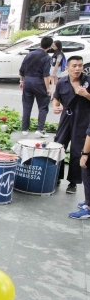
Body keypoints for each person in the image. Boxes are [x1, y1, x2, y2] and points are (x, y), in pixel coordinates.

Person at [54, 56, 90, 203]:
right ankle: (56, 177)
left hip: (82, 119)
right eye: (74, 66)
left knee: (76, 151)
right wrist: (56, 106)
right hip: (66, 118)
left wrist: (86, 94)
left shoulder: (88, 81)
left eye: (80, 66)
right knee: (58, 146)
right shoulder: (62, 82)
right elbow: (56, 98)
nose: (77, 69)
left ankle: (73, 182)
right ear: (67, 68)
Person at [19, 36, 53, 137]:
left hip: (27, 81)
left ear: (40, 43)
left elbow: (22, 70)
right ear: (50, 46)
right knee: (43, 106)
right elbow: (46, 75)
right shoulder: (47, 57)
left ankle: (24, 129)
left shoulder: (29, 54)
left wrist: (21, 81)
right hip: (39, 83)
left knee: (27, 106)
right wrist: (48, 89)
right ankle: (40, 129)